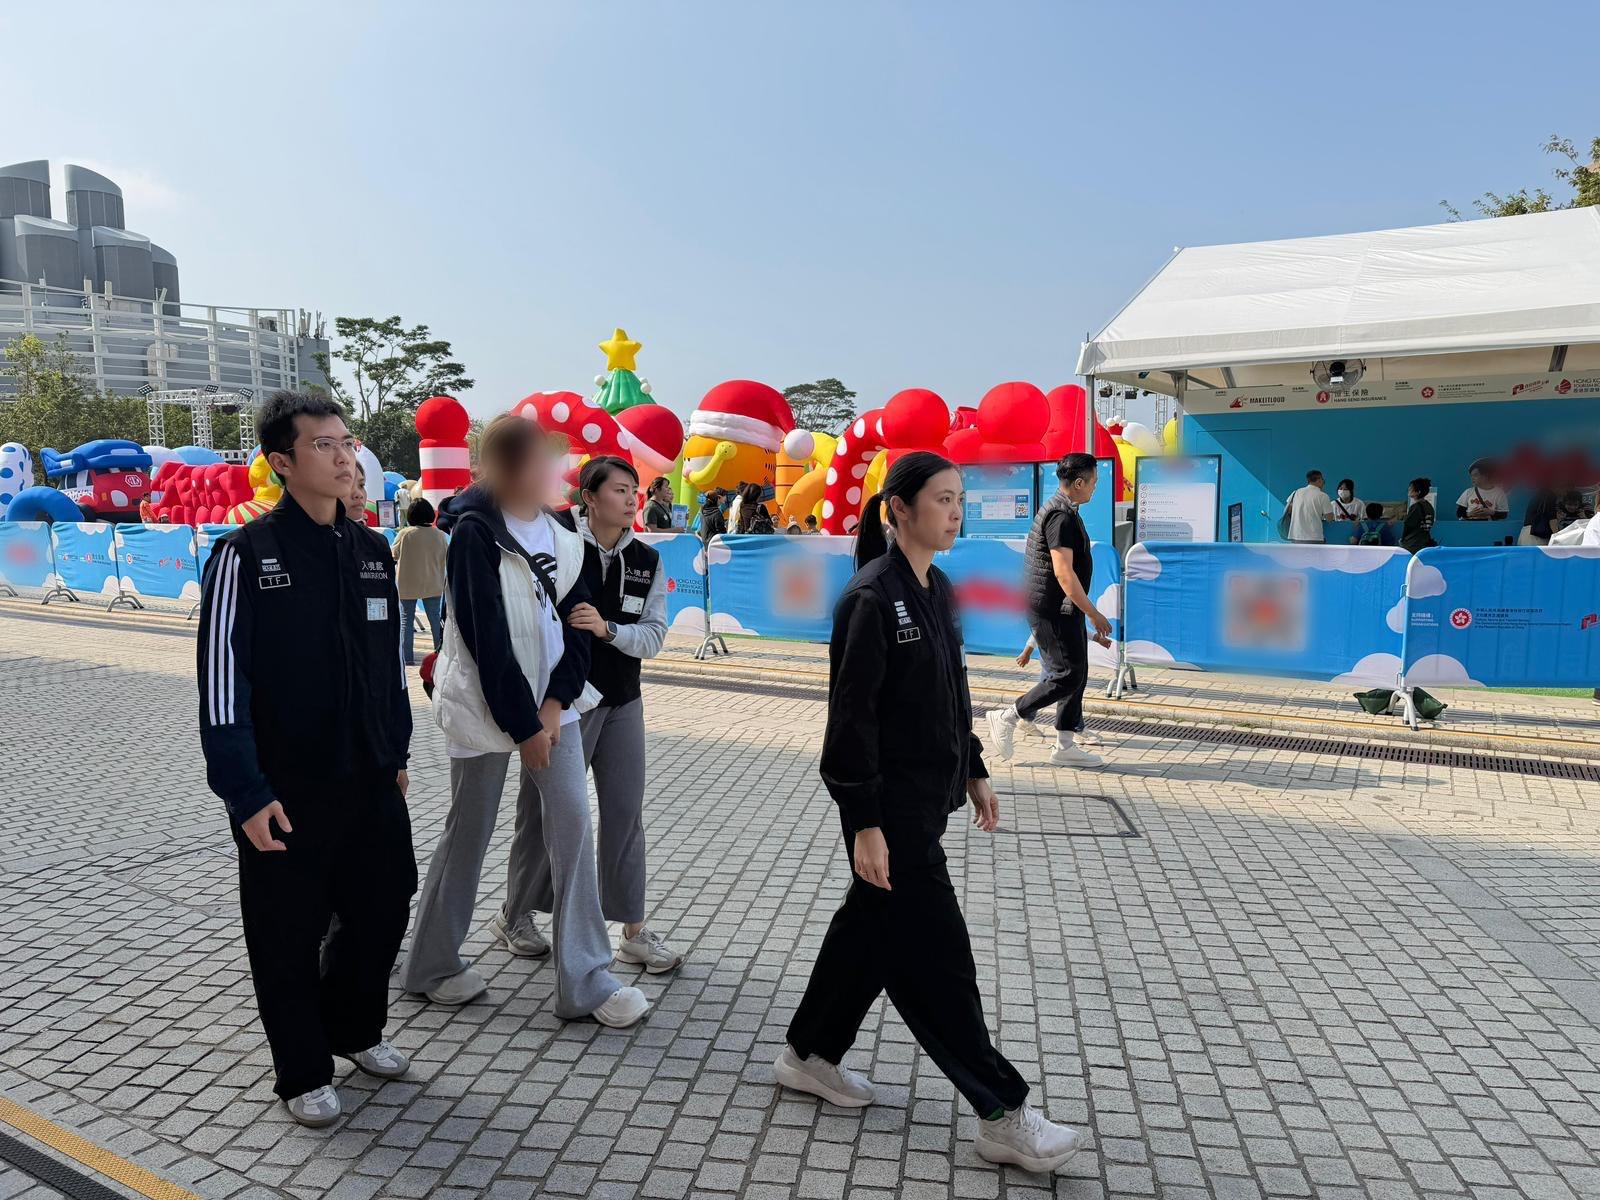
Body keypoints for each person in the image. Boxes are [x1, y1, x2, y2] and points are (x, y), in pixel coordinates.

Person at [774, 452, 1083, 1174]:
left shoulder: (936, 587)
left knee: (867, 936)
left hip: (928, 800)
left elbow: (950, 688)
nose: (955, 510)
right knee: (937, 962)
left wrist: (973, 768)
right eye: (942, 499)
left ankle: (808, 1055)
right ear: (899, 509)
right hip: (892, 814)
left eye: (959, 498)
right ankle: (1001, 1113)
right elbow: (850, 725)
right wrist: (866, 823)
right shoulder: (869, 600)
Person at [195, 391, 415, 1128]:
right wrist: (245, 793)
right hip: (283, 788)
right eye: (323, 445)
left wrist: (396, 750)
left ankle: (353, 1029)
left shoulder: (369, 551)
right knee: (286, 930)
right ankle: (302, 1069)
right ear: (281, 463)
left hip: (369, 774)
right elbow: (223, 686)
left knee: (386, 903)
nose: (344, 454)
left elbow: (387, 666)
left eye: (345, 441)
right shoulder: (245, 556)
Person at [401, 414, 648, 1029]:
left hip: (553, 709)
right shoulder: (473, 534)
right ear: (506, 468)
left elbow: (580, 622)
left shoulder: (563, 531)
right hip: (486, 707)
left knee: (572, 827)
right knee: (470, 828)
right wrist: (524, 725)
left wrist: (554, 705)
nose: (553, 471)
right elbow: (485, 639)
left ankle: (584, 981)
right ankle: (430, 964)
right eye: (540, 461)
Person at [516, 456, 685, 972]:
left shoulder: (646, 560)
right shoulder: (556, 541)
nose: (633, 498)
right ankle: (516, 913)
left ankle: (632, 927)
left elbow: (653, 636)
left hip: (622, 701)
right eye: (620, 489)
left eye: (636, 490)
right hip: (562, 703)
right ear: (589, 497)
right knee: (543, 812)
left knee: (624, 812)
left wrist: (609, 631)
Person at [987, 454, 1112, 769]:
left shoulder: (1064, 509)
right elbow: (1064, 573)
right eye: (1094, 482)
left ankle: (1065, 745)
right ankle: (1009, 715)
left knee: (1077, 673)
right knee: (1066, 674)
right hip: (1052, 608)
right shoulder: (1061, 516)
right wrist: (1094, 613)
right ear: (1079, 483)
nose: (1096, 487)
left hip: (1062, 607)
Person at [393, 498, 448, 665]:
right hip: (433, 583)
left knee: (406, 621)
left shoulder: (405, 534)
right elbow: (446, 556)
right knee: (434, 620)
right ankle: (439, 655)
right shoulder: (439, 534)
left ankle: (407, 659)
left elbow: (393, 554)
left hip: (407, 585)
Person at [1283, 470, 1335, 543]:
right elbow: (1329, 518)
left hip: (1296, 535)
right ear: (1319, 480)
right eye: (1322, 479)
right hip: (1314, 537)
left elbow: (1289, 510)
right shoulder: (1323, 496)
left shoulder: (1296, 492)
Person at [1401, 477, 1436, 554]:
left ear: (1418, 492)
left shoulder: (1415, 507)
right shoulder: (1429, 506)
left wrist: (1402, 539)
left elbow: (1408, 525)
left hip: (1412, 545)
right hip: (1424, 543)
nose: (1408, 490)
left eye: (1410, 488)